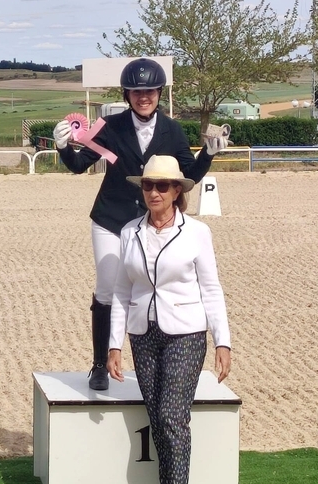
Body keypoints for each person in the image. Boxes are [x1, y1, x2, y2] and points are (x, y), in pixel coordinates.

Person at [52, 57, 228, 391]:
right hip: (111, 219)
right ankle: (98, 364)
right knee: (107, 288)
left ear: (159, 92)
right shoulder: (109, 126)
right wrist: (63, 146)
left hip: (150, 222)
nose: (143, 97)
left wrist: (207, 154)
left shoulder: (172, 130)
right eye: (136, 91)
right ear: (127, 94)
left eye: (149, 91)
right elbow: (79, 165)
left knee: (153, 286)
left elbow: (186, 176)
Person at [106, 154, 231, 484]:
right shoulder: (129, 232)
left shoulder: (197, 232)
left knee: (172, 417)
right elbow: (121, 291)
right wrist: (113, 345)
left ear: (177, 190)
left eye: (162, 186)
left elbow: (212, 288)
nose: (154, 193)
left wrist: (222, 341)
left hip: (186, 335)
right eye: (148, 185)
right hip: (142, 336)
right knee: (158, 421)